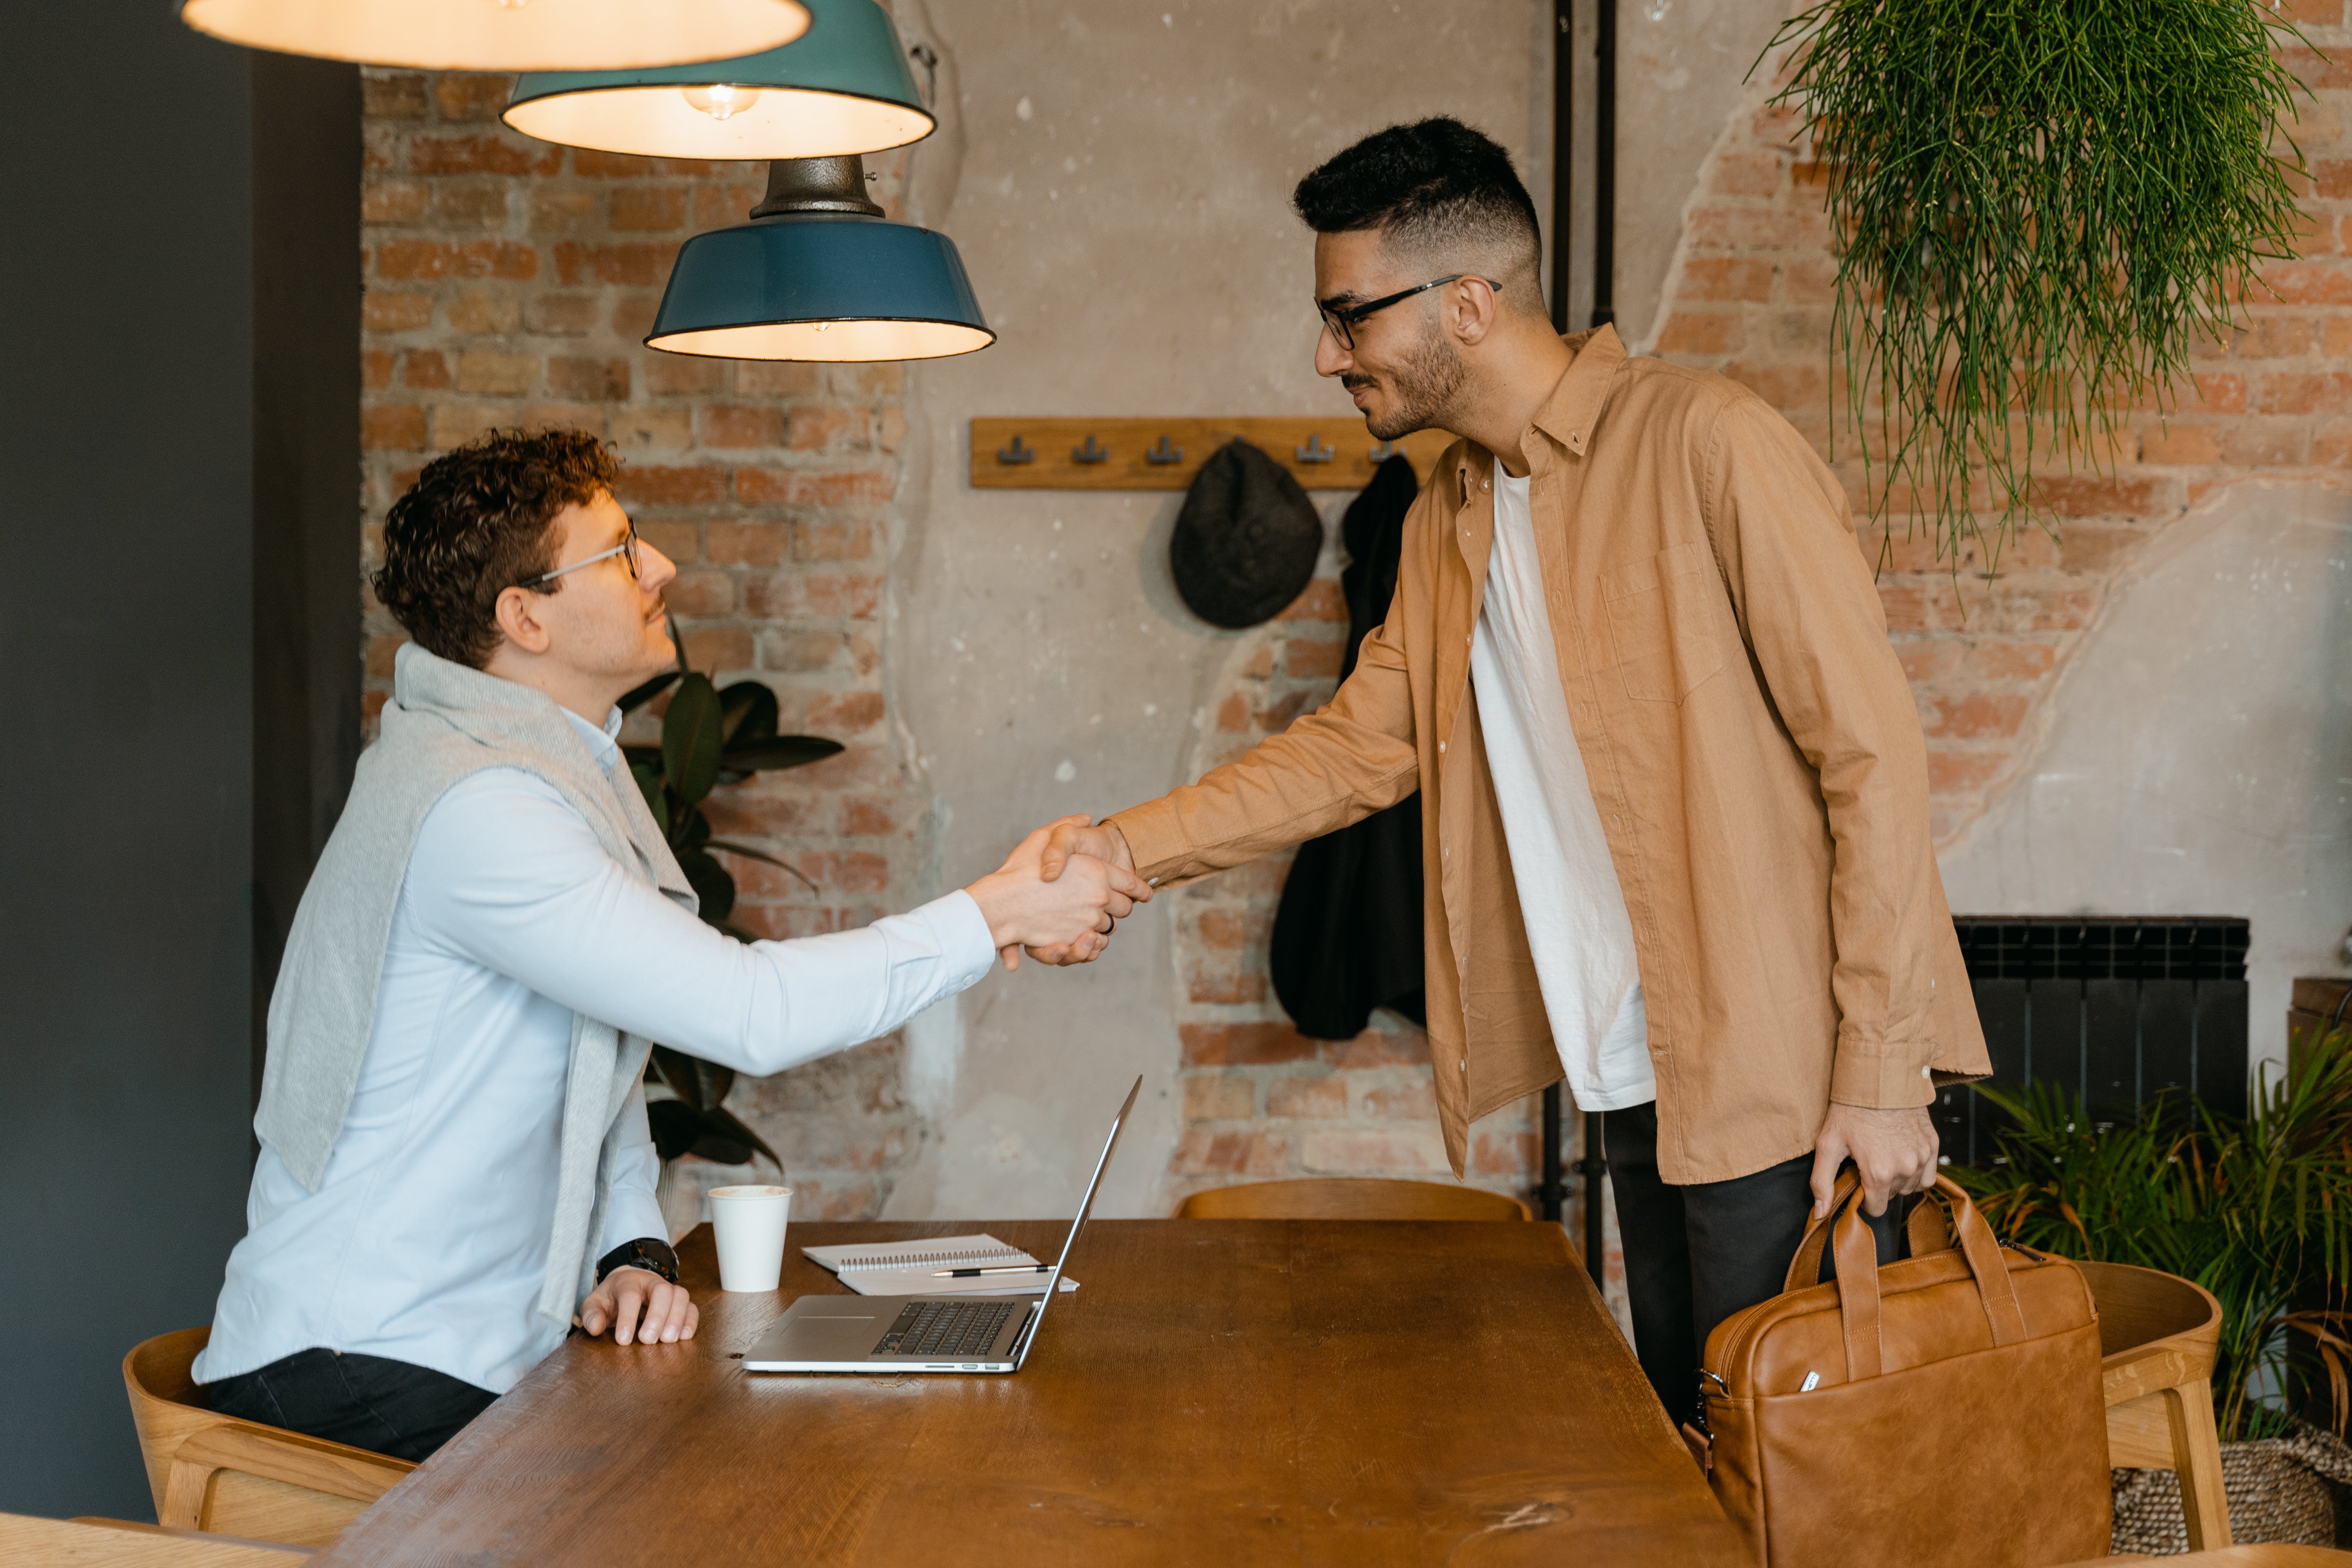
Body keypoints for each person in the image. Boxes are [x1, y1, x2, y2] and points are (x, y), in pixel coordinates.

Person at [1029, 118, 1988, 1425]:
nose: (1328, 355)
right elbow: (1357, 748)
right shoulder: (1451, 514)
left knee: (1816, 1487)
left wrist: (1882, 1072)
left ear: (1467, 304)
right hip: (1633, 1075)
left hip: (1788, 1086)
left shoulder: (1711, 443)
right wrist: (1126, 848)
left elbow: (1873, 760)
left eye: (1348, 317)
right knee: (1698, 1456)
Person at [194, 429, 1147, 1460]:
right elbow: (749, 1012)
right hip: (360, 1372)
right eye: (620, 551)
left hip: (434, 1360)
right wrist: (998, 911)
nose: (661, 569)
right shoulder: (478, 810)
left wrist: (632, 1251)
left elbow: (587, 1053)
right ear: (528, 616)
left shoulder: (523, 775)